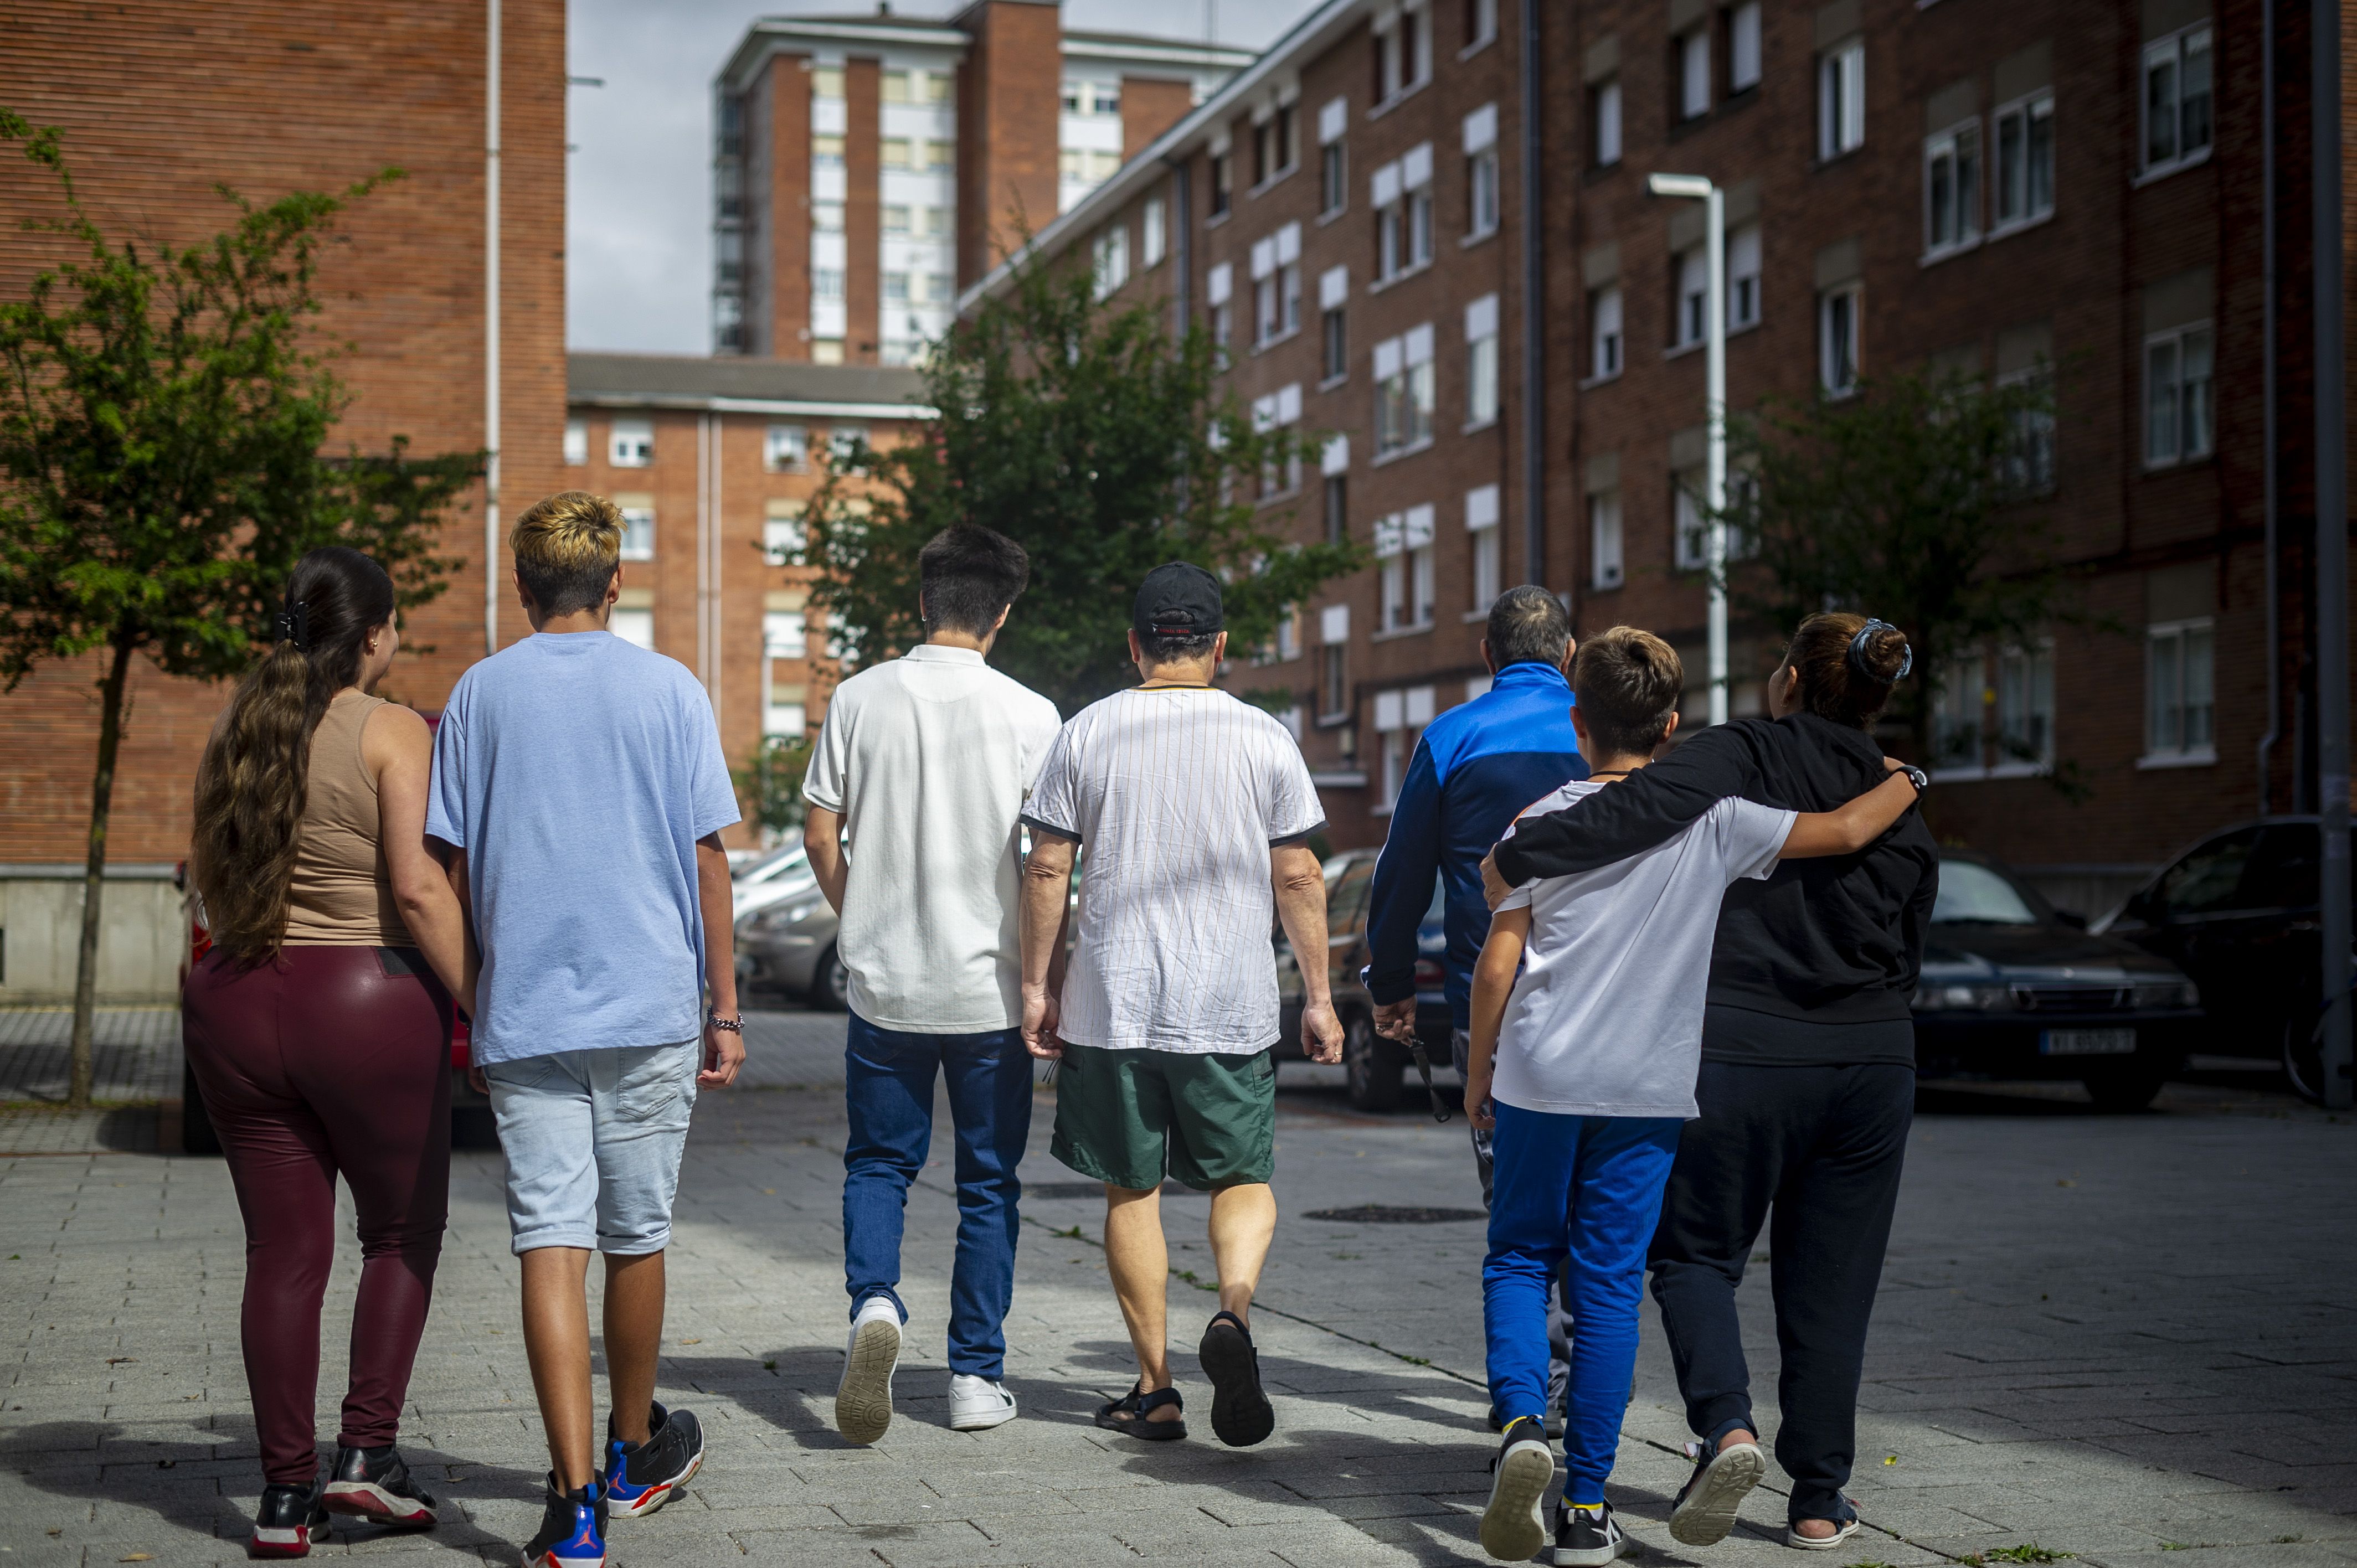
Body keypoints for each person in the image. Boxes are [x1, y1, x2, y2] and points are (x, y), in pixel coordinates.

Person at [1466, 627, 1925, 1566]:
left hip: (1573, 1073)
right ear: (1671, 722)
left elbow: (1499, 959)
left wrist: (1479, 1068)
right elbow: (1845, 838)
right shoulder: (1738, 818)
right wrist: (1913, 780)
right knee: (1616, 1286)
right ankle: (1604, 1507)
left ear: (1577, 718)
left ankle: (1542, 1425)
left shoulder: (1565, 815)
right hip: (1680, 1084)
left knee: (1537, 1256)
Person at [426, 491, 745, 1568]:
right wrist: (727, 1009)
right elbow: (709, 858)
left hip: (527, 1015)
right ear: (617, 584)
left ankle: (573, 1511)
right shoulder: (670, 689)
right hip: (651, 1005)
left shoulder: (478, 694)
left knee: (548, 1243)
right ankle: (631, 1448)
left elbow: (455, 868)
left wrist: (482, 996)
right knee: (636, 1234)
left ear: (521, 588)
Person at [183, 545, 472, 1558]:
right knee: (399, 1236)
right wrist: (483, 999)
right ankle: (366, 1462)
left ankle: (280, 1500)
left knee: (283, 1255)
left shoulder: (236, 727)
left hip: (232, 1000)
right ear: (377, 634)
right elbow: (421, 888)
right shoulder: (393, 727)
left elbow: (204, 877)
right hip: (365, 1001)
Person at [1015, 563, 1345, 1447]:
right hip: (1229, 1002)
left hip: (1114, 1002)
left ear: (1134, 647)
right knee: (1242, 1177)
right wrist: (1318, 997)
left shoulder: (1087, 732)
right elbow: (1300, 872)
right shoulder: (1264, 737)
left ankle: (1157, 1389)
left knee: (1134, 1188)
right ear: (1219, 647)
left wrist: (1038, 986)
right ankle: (1231, 1313)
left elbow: (1047, 866)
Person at [800, 525, 1063, 1443]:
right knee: (988, 1184)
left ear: (924, 603)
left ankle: (875, 1306)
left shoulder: (859, 698)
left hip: (885, 988)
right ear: (1001, 614)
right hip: (989, 995)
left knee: (879, 1163)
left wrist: (858, 914)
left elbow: (818, 829)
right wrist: (1046, 979)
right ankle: (974, 1380)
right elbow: (1047, 864)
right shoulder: (1034, 715)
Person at [1361, 583, 1584, 1432]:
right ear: (1568, 655)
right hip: (1610, 1004)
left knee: (1517, 1206)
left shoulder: (1452, 736)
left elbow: (1402, 873)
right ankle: (1583, 1380)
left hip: (1485, 1007)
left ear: (1489, 659)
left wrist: (1387, 990)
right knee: (1594, 1202)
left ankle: (1534, 1386)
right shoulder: (1601, 733)